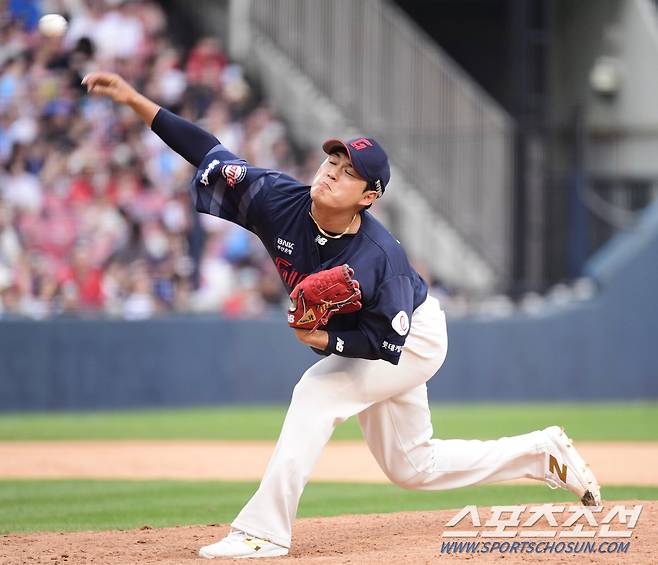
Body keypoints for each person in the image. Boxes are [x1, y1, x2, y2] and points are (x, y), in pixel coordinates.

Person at [82, 72, 602, 559]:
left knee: (317, 391)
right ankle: (541, 454)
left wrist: (327, 342)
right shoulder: (274, 198)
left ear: (368, 197)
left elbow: (384, 343)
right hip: (370, 336)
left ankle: (263, 531)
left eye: (349, 172)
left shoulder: (379, 258)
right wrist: (134, 100)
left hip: (411, 337)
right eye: (333, 161)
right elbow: (208, 151)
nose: (333, 171)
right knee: (412, 467)